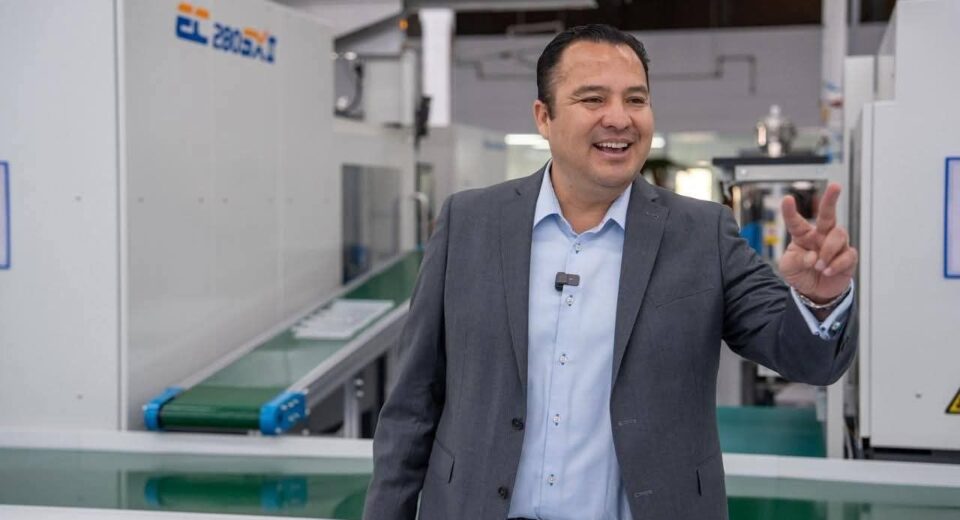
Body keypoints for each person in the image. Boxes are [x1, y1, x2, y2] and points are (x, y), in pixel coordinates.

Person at [363, 24, 858, 520]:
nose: (619, 118)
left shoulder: (701, 233)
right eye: (593, 99)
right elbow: (412, 404)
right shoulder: (470, 223)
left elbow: (809, 361)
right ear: (544, 117)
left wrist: (820, 300)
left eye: (635, 99)